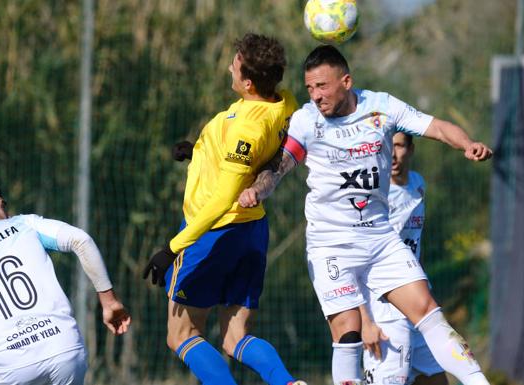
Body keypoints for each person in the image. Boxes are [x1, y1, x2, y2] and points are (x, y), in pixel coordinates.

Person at [238, 45, 492, 385]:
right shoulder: (307, 121)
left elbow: (437, 127)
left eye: (323, 86)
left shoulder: (382, 107)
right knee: (348, 333)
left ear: (346, 81)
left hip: (379, 237)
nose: (315, 96)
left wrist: (467, 144)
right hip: (331, 245)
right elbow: (280, 166)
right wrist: (258, 189)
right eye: (310, 88)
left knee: (429, 312)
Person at [142, 33, 305, 385]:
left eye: (235, 62)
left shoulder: (248, 128)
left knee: (181, 335)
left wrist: (172, 248)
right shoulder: (285, 102)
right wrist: (201, 150)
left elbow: (221, 198)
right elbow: (245, 155)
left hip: (214, 235)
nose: (229, 65)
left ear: (247, 82)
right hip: (252, 231)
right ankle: (288, 383)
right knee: (235, 339)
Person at [0, 184, 131, 385]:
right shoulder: (24, 224)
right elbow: (81, 240)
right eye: (2, 206)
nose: (7, 212)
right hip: (63, 349)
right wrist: (109, 302)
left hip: (11, 368)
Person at [361, 132, 447, 385]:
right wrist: (366, 320)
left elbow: (416, 244)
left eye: (398, 146)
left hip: (416, 299)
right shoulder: (376, 195)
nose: (393, 154)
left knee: (436, 377)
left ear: (411, 149)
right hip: (385, 302)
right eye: (387, 147)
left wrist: (425, 290)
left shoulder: (418, 184)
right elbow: (359, 260)